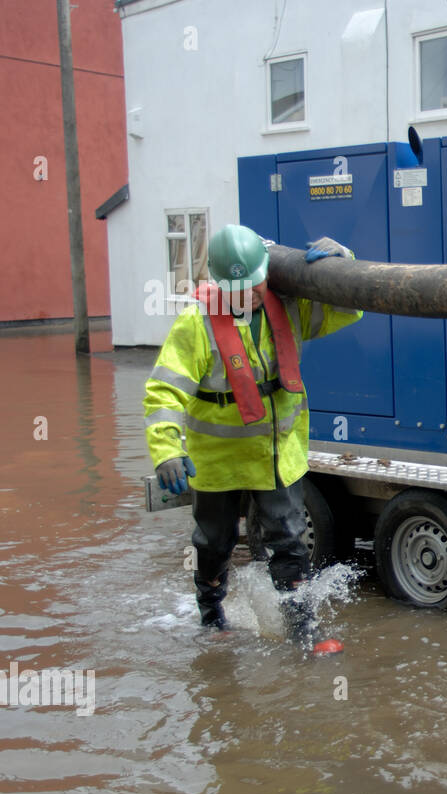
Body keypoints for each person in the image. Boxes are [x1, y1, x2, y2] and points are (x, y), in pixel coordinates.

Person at [143, 224, 362, 656]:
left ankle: (303, 629)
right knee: (214, 541)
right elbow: (164, 391)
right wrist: (167, 450)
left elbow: (349, 308)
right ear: (219, 285)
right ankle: (211, 615)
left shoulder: (290, 310)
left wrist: (343, 263)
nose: (248, 297)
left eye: (255, 286)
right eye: (237, 290)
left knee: (290, 539)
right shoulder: (196, 325)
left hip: (277, 455)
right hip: (218, 461)